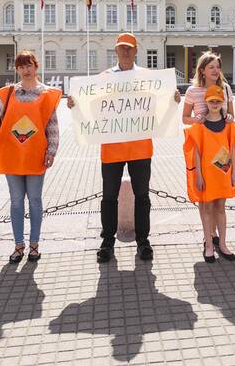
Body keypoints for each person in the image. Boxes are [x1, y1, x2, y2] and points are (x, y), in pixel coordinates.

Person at [66, 33, 180, 263]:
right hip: (112, 148)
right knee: (109, 197)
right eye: (121, 48)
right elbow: (90, 104)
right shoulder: (104, 78)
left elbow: (158, 103)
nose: (126, 52)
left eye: (129, 48)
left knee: (142, 197)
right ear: (115, 51)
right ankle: (107, 242)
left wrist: (172, 98)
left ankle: (143, 242)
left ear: (136, 50)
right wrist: (74, 102)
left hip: (140, 147)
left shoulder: (148, 77)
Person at [0, 50, 61, 263]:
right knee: (16, 201)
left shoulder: (46, 94)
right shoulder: (9, 93)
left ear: (36, 67)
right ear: (17, 69)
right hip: (12, 153)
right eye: (21, 66)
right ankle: (18, 245)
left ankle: (34, 245)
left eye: (29, 66)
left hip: (36, 155)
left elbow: (52, 125)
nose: (26, 70)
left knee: (35, 200)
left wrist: (52, 150)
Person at [181, 51, 235, 248]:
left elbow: (231, 116)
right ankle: (209, 235)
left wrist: (229, 117)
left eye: (218, 67)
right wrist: (196, 119)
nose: (216, 70)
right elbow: (185, 118)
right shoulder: (192, 91)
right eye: (211, 67)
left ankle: (216, 236)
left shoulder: (226, 89)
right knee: (205, 197)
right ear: (202, 70)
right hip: (202, 148)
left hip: (221, 149)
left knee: (219, 197)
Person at [184, 85, 235, 262]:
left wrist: (233, 174)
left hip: (223, 172)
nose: (215, 104)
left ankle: (222, 244)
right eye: (211, 101)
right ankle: (209, 244)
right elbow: (197, 154)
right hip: (207, 175)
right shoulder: (199, 126)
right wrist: (199, 176)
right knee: (208, 208)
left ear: (223, 102)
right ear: (206, 102)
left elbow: (231, 148)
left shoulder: (228, 124)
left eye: (218, 101)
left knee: (221, 208)